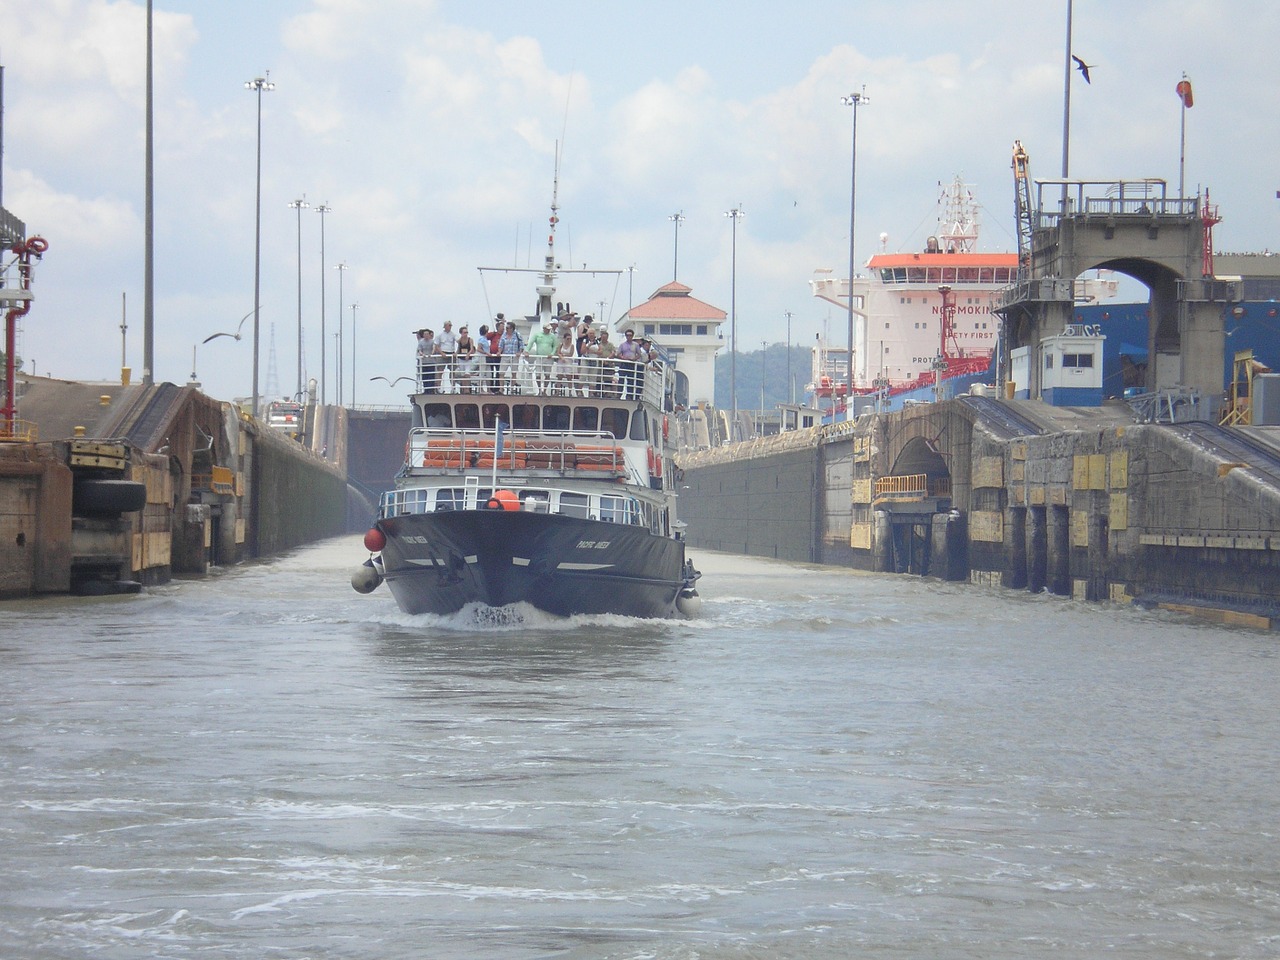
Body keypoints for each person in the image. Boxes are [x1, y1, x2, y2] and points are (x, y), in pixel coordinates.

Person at [524, 322, 558, 394]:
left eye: (549, 329)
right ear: (544, 329)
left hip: (548, 358)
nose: (548, 330)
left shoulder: (552, 336)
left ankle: (544, 390)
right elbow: (531, 342)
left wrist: (552, 354)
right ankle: (539, 390)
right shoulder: (537, 335)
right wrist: (527, 351)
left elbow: (555, 346)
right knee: (538, 375)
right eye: (547, 329)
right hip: (539, 357)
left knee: (547, 375)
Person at [497, 319, 524, 394]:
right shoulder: (504, 335)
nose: (506, 329)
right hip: (505, 355)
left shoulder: (517, 335)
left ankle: (512, 389)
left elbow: (521, 344)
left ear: (512, 328)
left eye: (508, 328)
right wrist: (499, 351)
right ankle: (501, 389)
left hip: (514, 356)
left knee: (514, 373)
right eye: (506, 328)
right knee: (501, 372)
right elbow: (501, 344)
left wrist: (519, 352)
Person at [617, 328, 641, 400]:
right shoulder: (622, 345)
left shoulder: (636, 345)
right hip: (624, 363)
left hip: (631, 364)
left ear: (632, 336)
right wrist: (622, 357)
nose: (629, 337)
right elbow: (618, 354)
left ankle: (629, 395)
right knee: (621, 380)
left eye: (630, 335)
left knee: (630, 380)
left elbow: (639, 354)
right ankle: (619, 394)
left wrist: (634, 359)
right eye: (627, 335)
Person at [436, 320, 459, 390]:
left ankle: (453, 387)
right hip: (443, 353)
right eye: (449, 325)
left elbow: (459, 342)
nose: (450, 327)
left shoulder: (453, 334)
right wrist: (441, 353)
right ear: (445, 326)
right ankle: (438, 388)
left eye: (451, 325)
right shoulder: (440, 335)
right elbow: (436, 345)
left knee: (453, 371)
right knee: (440, 371)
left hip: (451, 353)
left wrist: (456, 352)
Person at [553, 332, 577, 396]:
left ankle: (570, 392)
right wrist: (562, 357)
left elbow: (571, 354)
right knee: (559, 376)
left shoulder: (572, 346)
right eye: (567, 339)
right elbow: (558, 352)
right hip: (561, 361)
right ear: (564, 339)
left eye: (570, 339)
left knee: (569, 377)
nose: (569, 340)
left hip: (568, 361)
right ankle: (557, 391)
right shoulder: (561, 345)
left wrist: (563, 355)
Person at [416, 327, 439, 393]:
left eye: (427, 334)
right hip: (424, 362)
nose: (426, 335)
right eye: (425, 334)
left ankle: (431, 390)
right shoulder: (421, 342)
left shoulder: (432, 341)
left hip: (431, 362)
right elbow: (419, 350)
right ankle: (426, 390)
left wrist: (431, 354)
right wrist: (422, 354)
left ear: (429, 335)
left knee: (431, 376)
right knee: (424, 377)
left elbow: (434, 348)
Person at [454, 325, 476, 392]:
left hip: (468, 359)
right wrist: (455, 353)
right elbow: (458, 348)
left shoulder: (470, 339)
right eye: (464, 332)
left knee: (467, 373)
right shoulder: (460, 340)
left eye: (467, 332)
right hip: (461, 359)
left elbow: (472, 348)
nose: (466, 334)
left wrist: (468, 354)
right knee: (463, 374)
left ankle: (467, 388)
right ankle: (464, 388)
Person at [596, 329, 618, 397]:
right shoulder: (598, 344)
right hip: (600, 364)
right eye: (603, 337)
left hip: (608, 364)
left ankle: (608, 393)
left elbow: (613, 352)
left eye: (605, 337)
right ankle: (599, 392)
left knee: (608, 379)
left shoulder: (610, 345)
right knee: (599, 378)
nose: (604, 338)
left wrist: (607, 359)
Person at [484, 317, 503, 391]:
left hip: (499, 356)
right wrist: (493, 333)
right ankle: (491, 388)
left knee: (498, 372)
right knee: (491, 372)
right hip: (492, 355)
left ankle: (497, 388)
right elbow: (486, 336)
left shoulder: (503, 336)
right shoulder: (494, 335)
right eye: (501, 327)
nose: (503, 328)